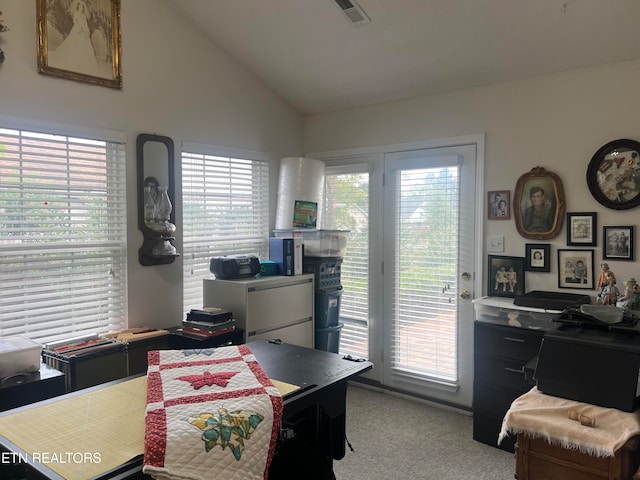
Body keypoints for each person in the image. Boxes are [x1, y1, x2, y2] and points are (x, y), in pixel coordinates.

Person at [49, 0, 100, 77]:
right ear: (77, 7)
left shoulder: (84, 16)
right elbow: (77, 23)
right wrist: (83, 29)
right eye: (80, 6)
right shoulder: (76, 14)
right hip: (77, 30)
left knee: (85, 46)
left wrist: (87, 31)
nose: (81, 8)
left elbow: (85, 24)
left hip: (83, 32)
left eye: (82, 7)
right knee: (74, 45)